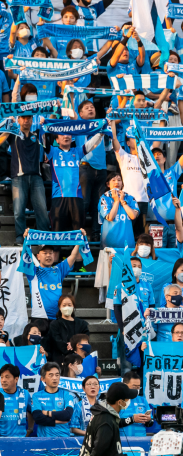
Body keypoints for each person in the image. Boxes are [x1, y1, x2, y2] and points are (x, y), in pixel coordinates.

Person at [44, 127, 105, 243]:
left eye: (68, 134)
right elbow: (42, 139)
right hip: (58, 198)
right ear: (56, 140)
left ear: (72, 138)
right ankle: (57, 254)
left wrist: (101, 133)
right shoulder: (52, 151)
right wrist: (43, 125)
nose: (66, 136)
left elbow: (91, 144)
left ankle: (77, 255)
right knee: (56, 236)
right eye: (62, 134)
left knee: (78, 236)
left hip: (77, 199)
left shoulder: (77, 151)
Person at [0, 110, 50, 246]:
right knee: (18, 210)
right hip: (18, 177)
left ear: (32, 119)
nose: (26, 120)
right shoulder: (13, 135)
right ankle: (20, 237)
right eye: (23, 118)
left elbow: (50, 125)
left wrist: (50, 116)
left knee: (42, 210)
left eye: (29, 118)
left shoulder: (37, 134)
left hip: (36, 177)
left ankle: (44, 238)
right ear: (19, 119)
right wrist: (8, 127)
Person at [79, 382, 141, 456]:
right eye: (127, 398)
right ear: (120, 402)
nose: (129, 401)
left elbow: (110, 449)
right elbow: (99, 450)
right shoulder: (106, 420)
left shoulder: (103, 413)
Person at [23, 231, 85, 322]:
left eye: (51, 253)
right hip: (39, 317)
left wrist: (79, 240)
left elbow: (73, 256)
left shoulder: (59, 270)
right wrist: (26, 239)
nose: (48, 255)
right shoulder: (33, 272)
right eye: (45, 253)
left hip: (57, 318)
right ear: (38, 256)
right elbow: (26, 255)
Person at [73, 100, 108, 243]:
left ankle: (95, 233)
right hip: (85, 167)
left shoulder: (101, 124)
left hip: (102, 169)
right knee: (84, 202)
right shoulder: (78, 125)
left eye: (92, 107)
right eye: (87, 108)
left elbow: (112, 119)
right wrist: (70, 94)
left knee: (98, 205)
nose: (90, 109)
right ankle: (78, 232)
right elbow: (71, 113)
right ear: (80, 113)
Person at [110, 119, 149, 237]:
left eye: (138, 138)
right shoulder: (124, 156)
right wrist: (112, 122)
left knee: (141, 235)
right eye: (133, 138)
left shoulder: (148, 159)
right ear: (127, 143)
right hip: (128, 199)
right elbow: (114, 139)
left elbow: (157, 143)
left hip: (144, 200)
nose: (136, 140)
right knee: (127, 232)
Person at [31, 362, 75, 437]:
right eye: (51, 375)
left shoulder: (67, 395)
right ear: (43, 379)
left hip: (64, 438)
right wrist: (58, 420)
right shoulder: (36, 396)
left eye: (57, 375)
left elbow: (67, 415)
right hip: (44, 439)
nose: (54, 378)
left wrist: (47, 413)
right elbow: (38, 418)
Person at [99, 172, 140, 249]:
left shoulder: (130, 198)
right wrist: (116, 201)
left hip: (128, 244)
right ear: (108, 184)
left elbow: (133, 216)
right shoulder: (104, 198)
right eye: (113, 180)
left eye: (119, 180)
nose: (117, 182)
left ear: (122, 183)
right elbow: (110, 217)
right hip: (109, 245)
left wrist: (122, 201)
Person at [48, 295, 89, 365]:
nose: (67, 307)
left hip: (79, 360)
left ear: (73, 306)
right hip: (60, 360)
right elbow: (57, 340)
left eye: (69, 305)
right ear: (59, 307)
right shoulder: (54, 324)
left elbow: (85, 338)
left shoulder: (82, 324)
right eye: (64, 305)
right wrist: (70, 346)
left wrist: (73, 345)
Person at [0, 364, 33, 436]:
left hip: (20, 439)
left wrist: (30, 429)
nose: (3, 380)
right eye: (2, 377)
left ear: (16, 379)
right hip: (2, 440)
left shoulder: (24, 393)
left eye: (7, 377)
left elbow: (31, 411)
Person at [119, 371, 153, 437]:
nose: (137, 390)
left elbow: (150, 423)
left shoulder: (143, 400)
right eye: (134, 387)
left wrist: (148, 420)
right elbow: (113, 422)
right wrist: (132, 419)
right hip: (122, 440)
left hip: (141, 440)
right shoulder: (117, 400)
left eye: (138, 387)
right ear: (125, 385)